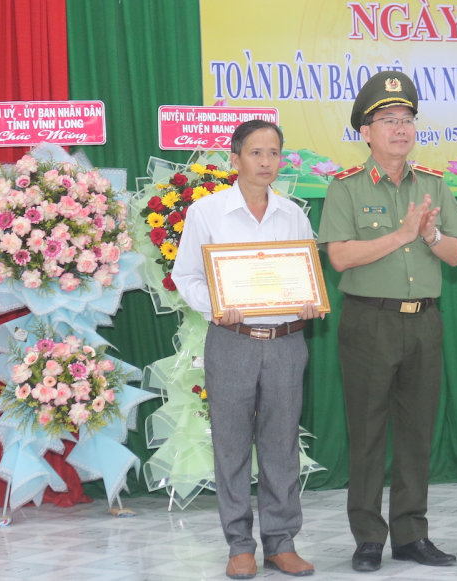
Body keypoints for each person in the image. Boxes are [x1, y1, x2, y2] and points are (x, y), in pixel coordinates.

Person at [318, 71, 457, 572]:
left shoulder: (433, 183)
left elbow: (454, 256)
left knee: (416, 432)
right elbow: (339, 257)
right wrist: (402, 234)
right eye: (388, 120)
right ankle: (368, 538)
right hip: (370, 322)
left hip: (424, 323)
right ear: (366, 131)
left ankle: (411, 534)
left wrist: (427, 235)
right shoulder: (343, 187)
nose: (400, 128)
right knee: (366, 433)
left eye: (406, 119)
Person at [173, 120, 322, 579]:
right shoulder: (208, 212)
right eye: (256, 153)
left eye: (274, 153)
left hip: (285, 342)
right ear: (234, 159)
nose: (265, 162)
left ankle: (281, 542)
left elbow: (306, 273)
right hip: (232, 342)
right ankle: (239, 545)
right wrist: (215, 306)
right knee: (231, 446)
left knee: (281, 446)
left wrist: (309, 299)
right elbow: (187, 276)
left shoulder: (293, 214)